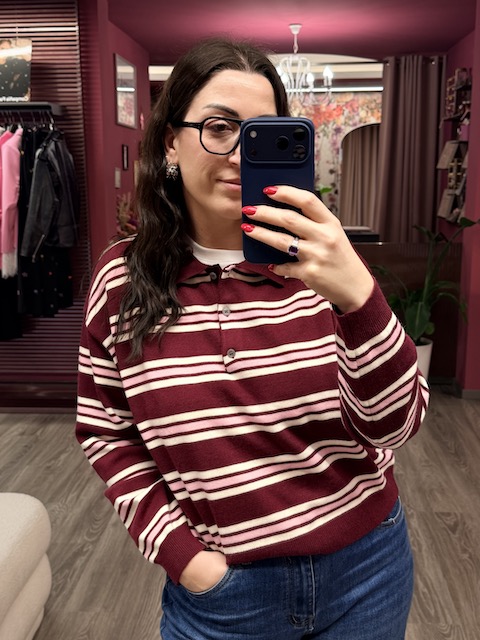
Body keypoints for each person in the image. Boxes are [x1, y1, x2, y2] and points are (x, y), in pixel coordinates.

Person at [75, 38, 430, 640]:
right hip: (224, 596)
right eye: (219, 128)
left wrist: (357, 296)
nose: (241, 154)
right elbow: (106, 433)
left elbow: (396, 427)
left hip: (367, 568)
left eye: (264, 134)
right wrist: (187, 560)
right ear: (170, 142)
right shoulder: (122, 280)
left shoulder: (324, 265)